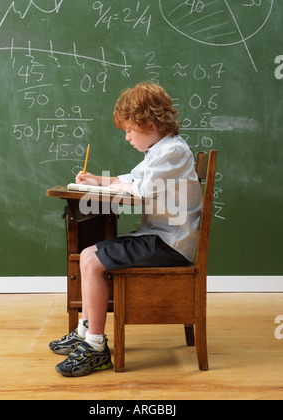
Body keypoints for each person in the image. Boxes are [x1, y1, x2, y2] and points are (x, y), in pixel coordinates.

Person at [49, 82, 203, 377]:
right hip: (159, 236)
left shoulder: (172, 153)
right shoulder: (159, 150)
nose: (128, 138)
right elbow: (130, 178)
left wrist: (117, 185)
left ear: (152, 123)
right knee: (88, 255)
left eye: (130, 130)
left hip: (171, 243)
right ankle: (86, 330)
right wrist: (96, 179)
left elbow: (140, 190)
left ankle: (96, 346)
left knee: (92, 259)